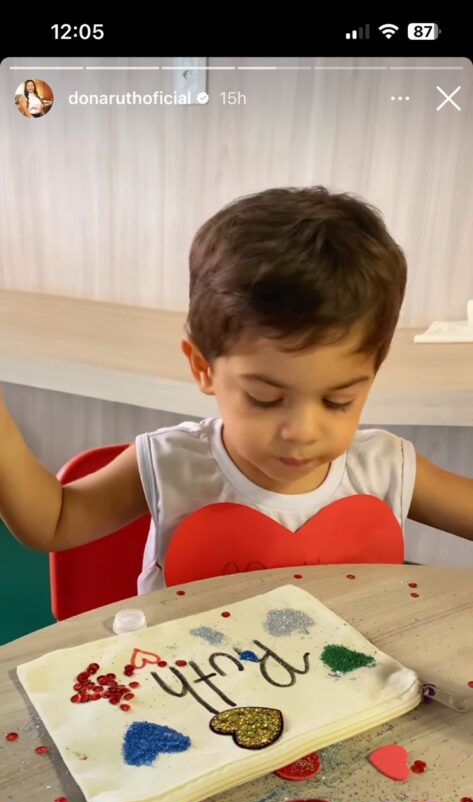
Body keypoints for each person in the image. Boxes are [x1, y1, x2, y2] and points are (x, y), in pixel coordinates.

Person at [1, 186, 472, 592]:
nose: (303, 431)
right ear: (203, 367)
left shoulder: (384, 469)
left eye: (338, 401)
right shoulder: (173, 465)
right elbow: (54, 520)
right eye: (265, 399)